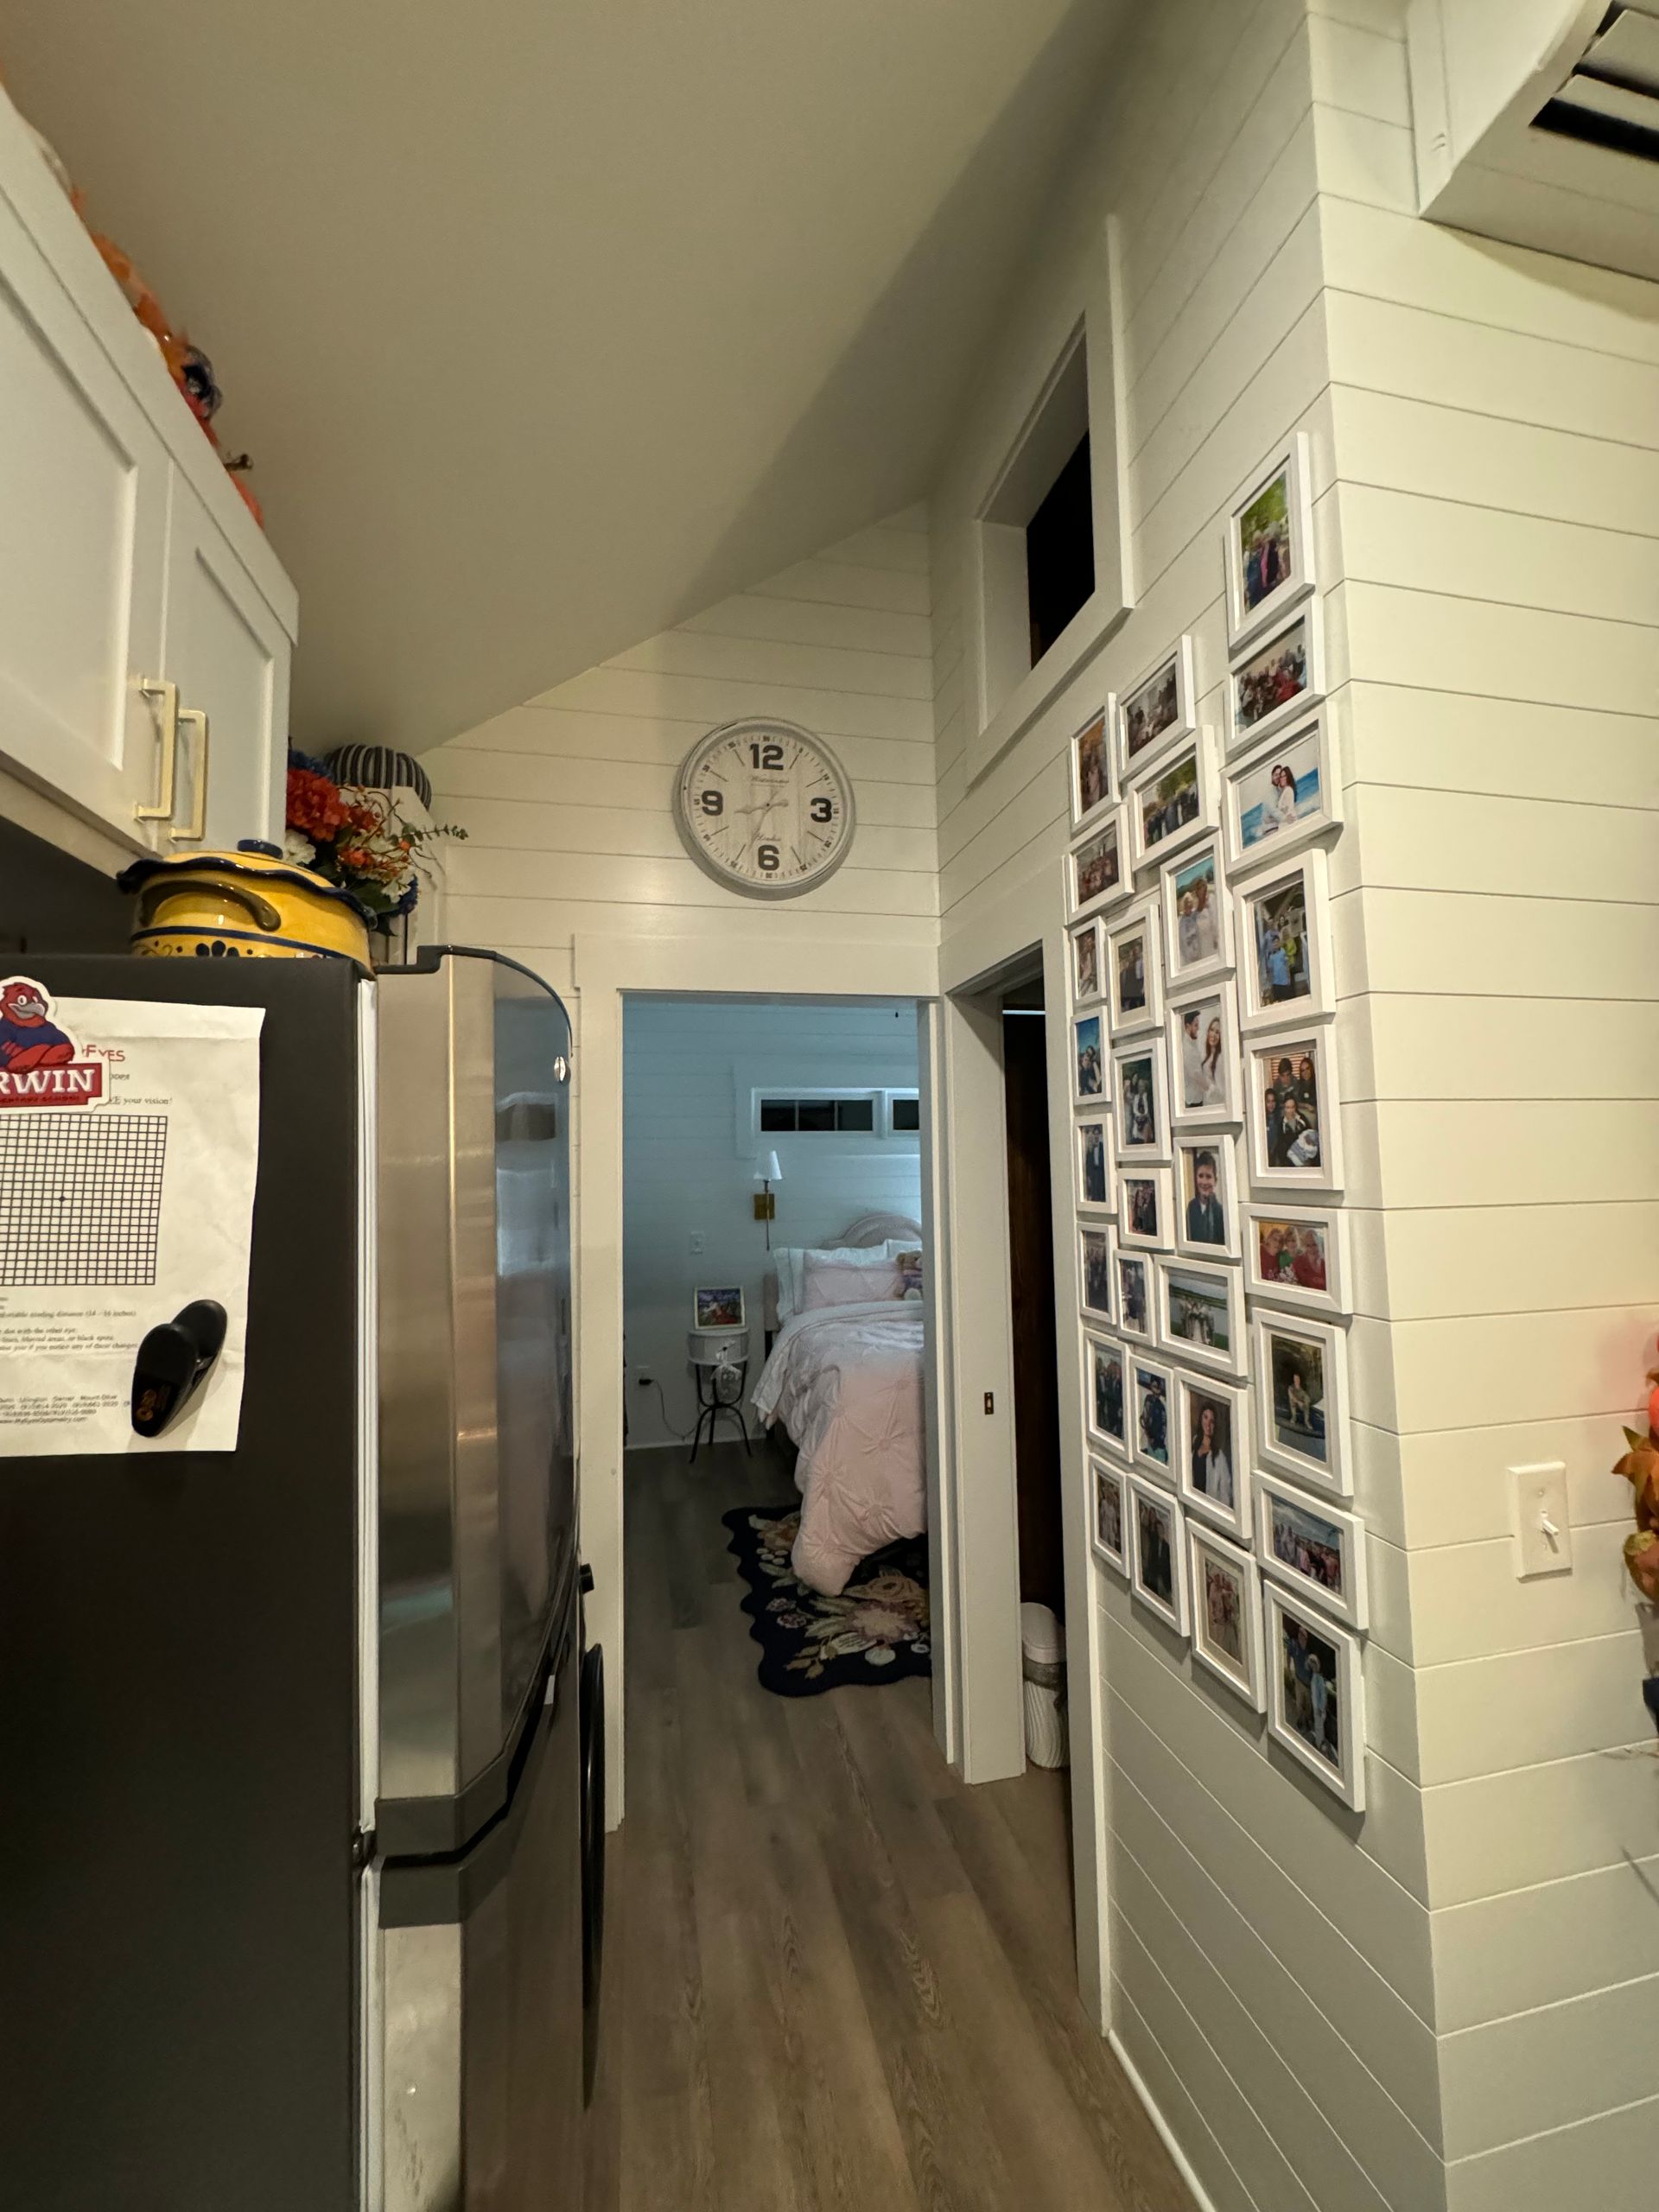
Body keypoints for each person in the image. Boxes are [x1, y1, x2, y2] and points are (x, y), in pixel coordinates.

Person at [1192, 1402, 1233, 1508]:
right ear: (1201, 1419)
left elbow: (1226, 1494)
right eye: (1205, 1418)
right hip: (1192, 1503)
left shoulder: (1220, 1457)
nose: (1208, 1425)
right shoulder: (1194, 1444)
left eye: (1212, 1421)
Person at [1189, 876, 1219, 963]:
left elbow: (1215, 921)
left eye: (1202, 887)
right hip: (1202, 945)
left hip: (1213, 944)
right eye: (1198, 889)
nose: (1201, 891)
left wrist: (1216, 938)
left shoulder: (1212, 901)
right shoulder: (1195, 910)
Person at [1179, 1007, 1205, 1107]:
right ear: (1188, 1026)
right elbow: (1196, 1075)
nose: (1198, 1029)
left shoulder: (1192, 1045)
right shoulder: (1188, 1049)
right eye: (1196, 1025)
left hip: (1196, 1097)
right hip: (1193, 1101)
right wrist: (1212, 1089)